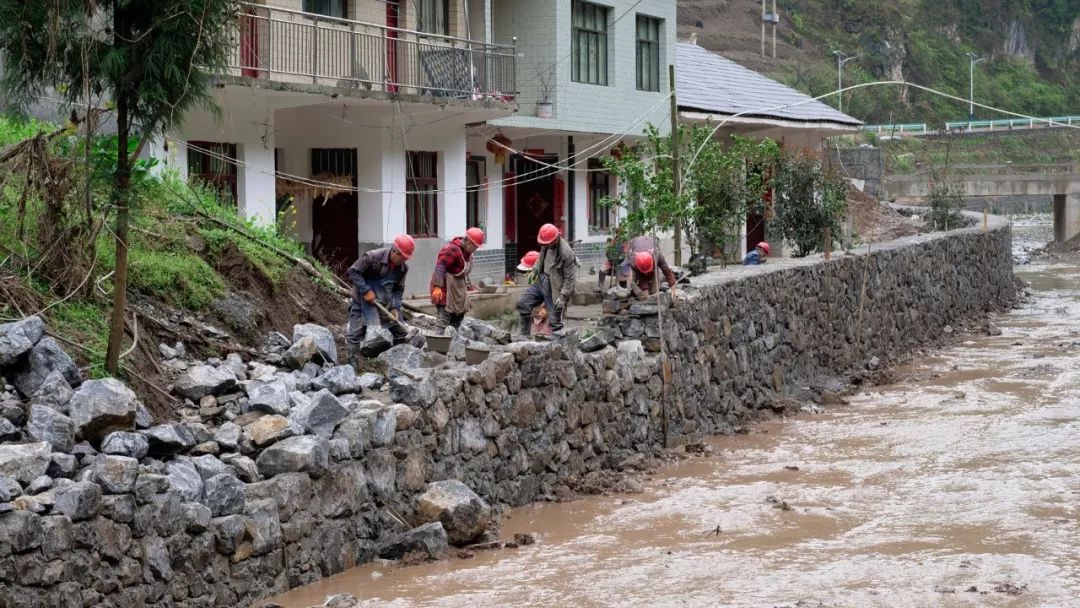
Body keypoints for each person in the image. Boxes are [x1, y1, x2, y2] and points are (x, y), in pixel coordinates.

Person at [345, 234, 414, 366]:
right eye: (403, 257)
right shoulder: (372, 257)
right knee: (354, 335)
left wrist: (395, 307)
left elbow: (399, 289)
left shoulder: (403, 269)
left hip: (385, 304)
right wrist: (366, 290)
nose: (404, 260)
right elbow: (353, 272)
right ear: (395, 252)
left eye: (407, 258)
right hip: (362, 301)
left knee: (401, 333)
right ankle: (351, 369)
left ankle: (398, 364)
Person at [516, 223, 578, 338]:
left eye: (548, 243)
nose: (545, 245)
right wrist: (535, 271)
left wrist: (563, 297)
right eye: (544, 243)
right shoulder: (546, 244)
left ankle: (557, 346)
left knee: (554, 319)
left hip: (555, 287)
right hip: (542, 280)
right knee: (523, 304)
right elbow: (540, 258)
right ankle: (524, 336)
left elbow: (570, 279)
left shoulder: (566, 254)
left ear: (555, 239)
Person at [430, 227, 485, 332]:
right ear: (468, 240)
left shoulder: (468, 254)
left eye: (477, 247)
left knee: (458, 317)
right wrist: (437, 287)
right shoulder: (451, 249)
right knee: (444, 318)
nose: (475, 249)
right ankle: (436, 343)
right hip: (444, 287)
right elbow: (440, 266)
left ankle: (453, 341)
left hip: (458, 289)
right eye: (474, 246)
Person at [516, 251, 551, 337]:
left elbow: (552, 295)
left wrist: (546, 308)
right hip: (540, 293)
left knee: (553, 317)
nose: (526, 274)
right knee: (522, 304)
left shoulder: (548, 277)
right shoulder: (535, 279)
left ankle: (553, 338)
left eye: (529, 271)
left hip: (553, 297)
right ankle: (525, 335)